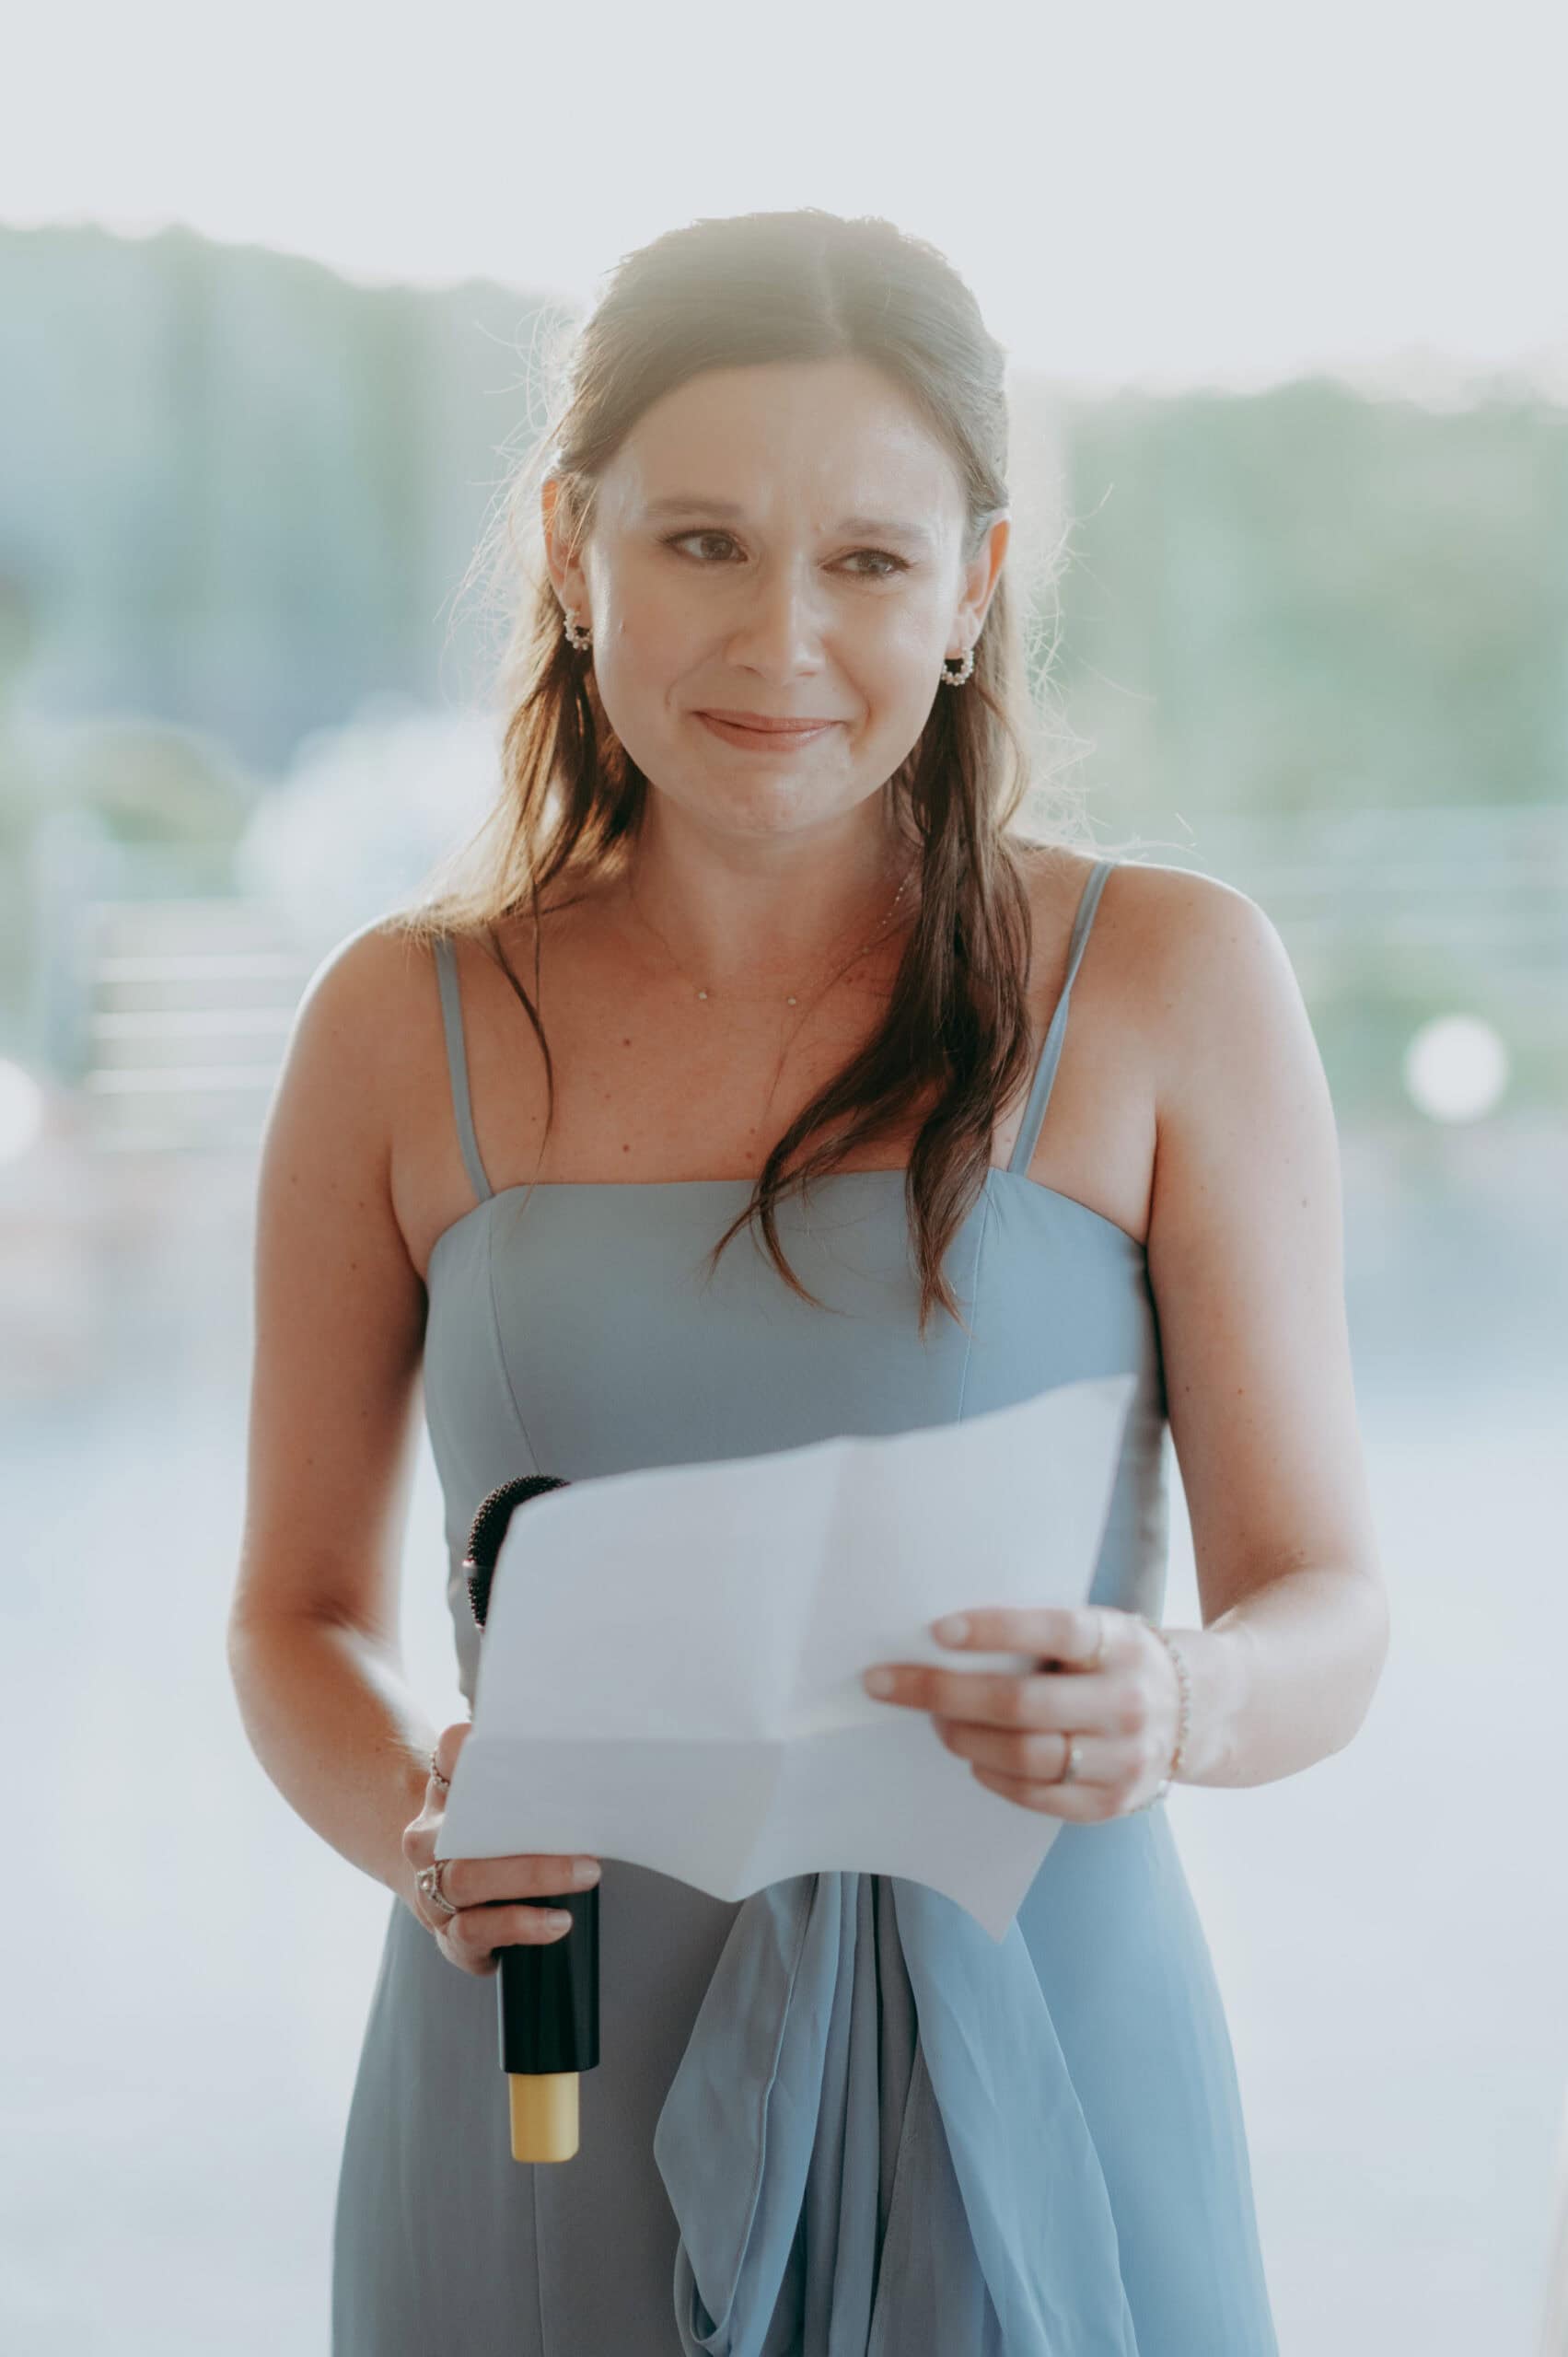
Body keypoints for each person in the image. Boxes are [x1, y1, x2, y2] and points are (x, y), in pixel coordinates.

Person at [227, 208, 1389, 2355]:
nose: (780, 638)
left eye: (867, 558)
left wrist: (1182, 1699)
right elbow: (292, 1613)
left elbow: (1330, 1603)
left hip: (1045, 2037)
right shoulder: (403, 1022)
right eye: (699, 542)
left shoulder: (1168, 980)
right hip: (542, 2059)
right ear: (573, 547)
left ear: (977, 586)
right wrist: (416, 1810)